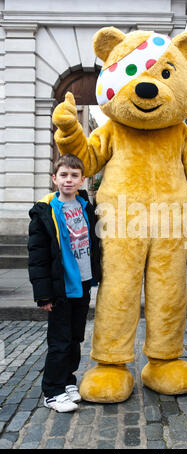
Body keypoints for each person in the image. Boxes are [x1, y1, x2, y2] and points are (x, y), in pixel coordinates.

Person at [28, 154, 101, 412]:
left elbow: (95, 244)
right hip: (60, 287)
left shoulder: (85, 207)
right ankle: (52, 390)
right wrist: (43, 295)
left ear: (82, 179)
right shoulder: (44, 213)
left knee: (74, 337)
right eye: (63, 175)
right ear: (54, 178)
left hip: (81, 284)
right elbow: (37, 257)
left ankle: (68, 380)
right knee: (59, 340)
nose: (68, 180)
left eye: (74, 175)